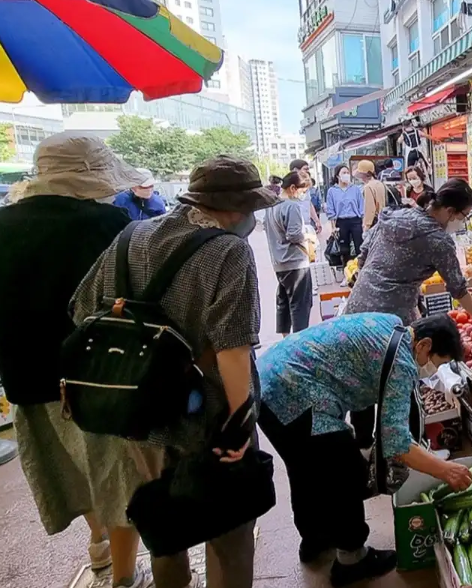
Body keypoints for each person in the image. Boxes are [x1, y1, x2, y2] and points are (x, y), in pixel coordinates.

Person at [72, 155, 277, 588]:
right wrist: (240, 426)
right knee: (228, 528)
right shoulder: (228, 250)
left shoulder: (131, 235)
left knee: (165, 524)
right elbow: (233, 349)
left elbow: (81, 310)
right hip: (209, 416)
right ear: (238, 208)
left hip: (137, 415)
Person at [0, 132, 151, 587]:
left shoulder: (2, 224)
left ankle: (98, 545)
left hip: (27, 378)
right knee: (118, 479)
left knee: (70, 472)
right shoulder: (106, 223)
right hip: (100, 379)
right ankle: (125, 576)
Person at [256, 313, 472, 584]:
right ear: (425, 346)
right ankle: (352, 560)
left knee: (305, 467)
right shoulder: (403, 363)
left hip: (266, 382)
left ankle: (314, 541)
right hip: (295, 394)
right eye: (436, 363)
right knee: (344, 468)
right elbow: (397, 445)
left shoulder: (391, 324)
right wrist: (445, 470)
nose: (431, 371)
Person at [345, 179, 472, 448]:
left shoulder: (396, 215)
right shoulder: (438, 240)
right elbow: (458, 288)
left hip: (357, 307)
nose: (463, 221)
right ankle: (407, 449)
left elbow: (363, 254)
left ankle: (364, 447)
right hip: (390, 319)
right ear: (452, 211)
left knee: (362, 376)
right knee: (401, 381)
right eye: (465, 215)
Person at [266, 172, 315, 336]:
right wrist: (307, 236)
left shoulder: (272, 206)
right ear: (293, 188)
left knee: (284, 301)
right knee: (300, 304)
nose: (303, 194)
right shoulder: (292, 206)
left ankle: (286, 338)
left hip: (279, 262)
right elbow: (294, 235)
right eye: (303, 190)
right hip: (295, 262)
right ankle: (300, 342)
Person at [326, 163, 364, 263]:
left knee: (360, 246)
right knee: (344, 249)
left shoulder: (355, 189)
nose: (346, 174)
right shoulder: (332, 191)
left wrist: (363, 223)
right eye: (344, 172)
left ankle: (361, 268)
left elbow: (361, 206)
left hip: (355, 220)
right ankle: (346, 269)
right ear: (338, 175)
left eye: (348, 172)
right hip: (341, 222)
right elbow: (331, 210)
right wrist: (333, 227)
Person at [289, 159, 323, 234]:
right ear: (295, 170)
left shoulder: (306, 187)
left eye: (308, 169)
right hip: (295, 226)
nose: (307, 172)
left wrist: (317, 221)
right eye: (305, 169)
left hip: (307, 224)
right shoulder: (288, 188)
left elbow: (309, 204)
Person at [354, 160, 386, 232]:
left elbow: (370, 209)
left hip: (374, 223)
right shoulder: (379, 183)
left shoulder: (368, 187)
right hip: (383, 219)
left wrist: (366, 226)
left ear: (362, 174)